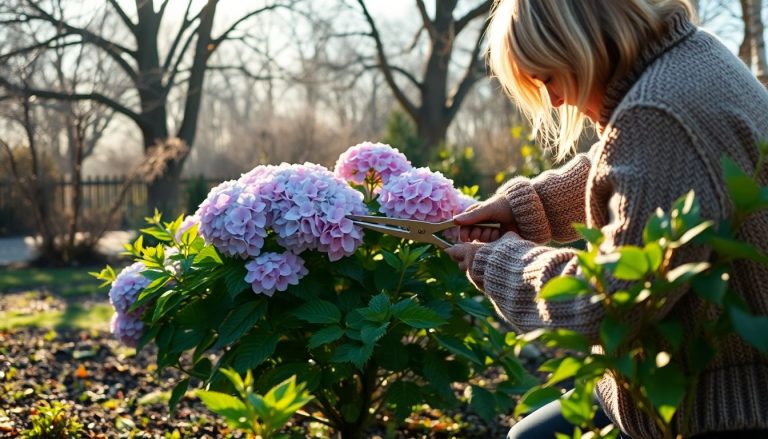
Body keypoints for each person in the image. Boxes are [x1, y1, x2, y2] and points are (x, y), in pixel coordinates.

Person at [444, 1, 768, 438]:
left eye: (548, 78)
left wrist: (498, 262)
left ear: (580, 44)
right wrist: (530, 206)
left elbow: (607, 304)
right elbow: (644, 172)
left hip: (723, 401)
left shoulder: (659, 111)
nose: (555, 99)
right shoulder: (693, 58)